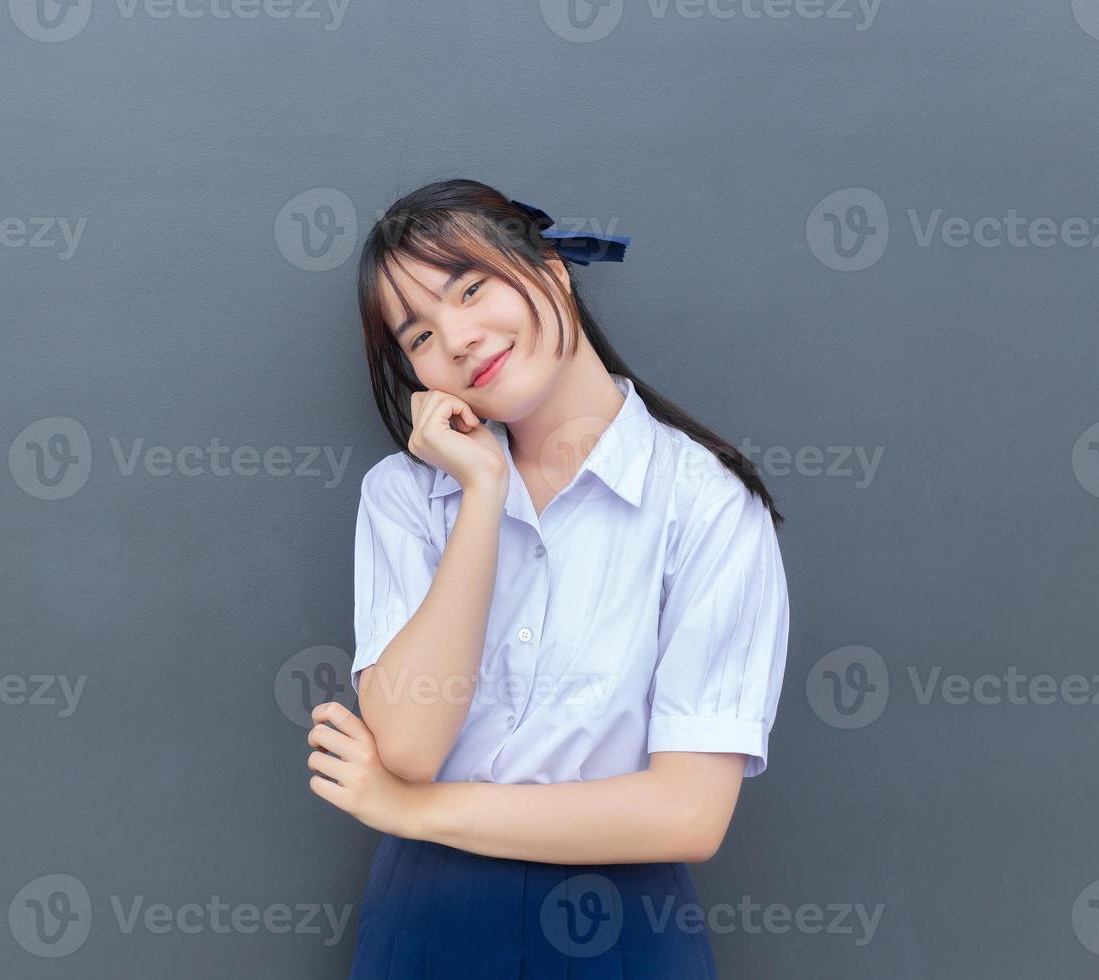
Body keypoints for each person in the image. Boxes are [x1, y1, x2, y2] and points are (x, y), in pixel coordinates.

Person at [306, 178, 791, 978]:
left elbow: (688, 814)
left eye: (470, 287)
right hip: (429, 920)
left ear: (553, 269)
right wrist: (483, 494)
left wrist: (406, 810)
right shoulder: (404, 496)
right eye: (418, 335)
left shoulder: (704, 502)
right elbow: (406, 745)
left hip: (622, 925)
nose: (457, 338)